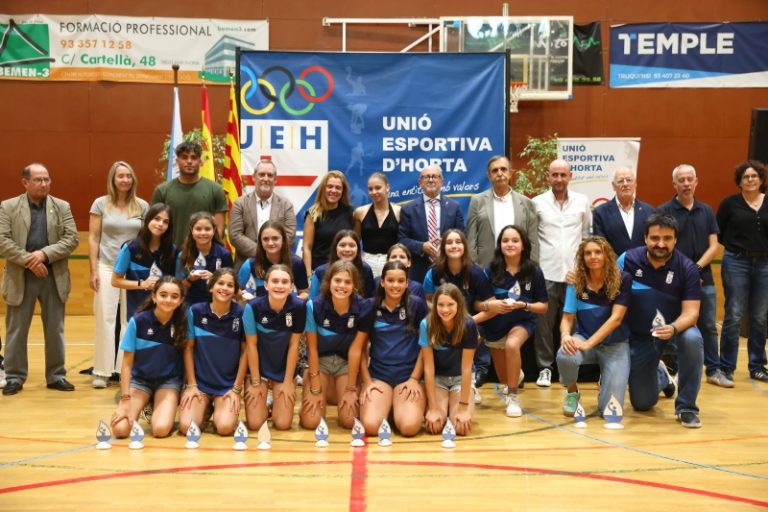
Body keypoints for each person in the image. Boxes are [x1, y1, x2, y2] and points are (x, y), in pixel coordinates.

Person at [0, 163, 79, 396]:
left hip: (53, 275)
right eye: (38, 180)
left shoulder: (62, 206)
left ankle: (56, 375)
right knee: (16, 330)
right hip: (20, 276)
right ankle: (14, 377)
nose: (44, 184)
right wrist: (29, 260)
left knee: (55, 329)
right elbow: (3, 240)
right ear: (25, 182)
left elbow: (72, 238)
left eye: (47, 179)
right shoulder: (8, 207)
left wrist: (44, 254)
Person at [618, 213, 704, 428]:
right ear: (645, 238)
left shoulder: (687, 268)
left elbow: (692, 313)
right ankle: (662, 376)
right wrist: (577, 278)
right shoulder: (627, 260)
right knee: (642, 403)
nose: (661, 244)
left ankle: (686, 407)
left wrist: (673, 328)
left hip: (677, 331)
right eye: (655, 238)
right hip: (642, 336)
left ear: (675, 240)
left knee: (693, 339)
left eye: (667, 238)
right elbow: (605, 288)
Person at [658, 164, 724, 386]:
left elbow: (713, 246)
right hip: (674, 278)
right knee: (676, 323)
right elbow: (661, 246)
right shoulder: (663, 211)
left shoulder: (706, 210)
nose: (686, 184)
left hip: (704, 278)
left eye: (689, 179)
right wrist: (686, 273)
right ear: (674, 184)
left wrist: (695, 270)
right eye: (681, 180)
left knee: (708, 325)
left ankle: (713, 370)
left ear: (696, 182)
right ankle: (675, 370)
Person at [88, 161, 149, 389]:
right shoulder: (100, 204)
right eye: (120, 176)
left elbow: (146, 239)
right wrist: (93, 270)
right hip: (106, 266)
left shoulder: (142, 206)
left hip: (132, 269)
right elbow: (94, 238)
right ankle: (102, 371)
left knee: (129, 320)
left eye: (128, 176)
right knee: (105, 318)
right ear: (113, 179)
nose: (125, 180)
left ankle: (123, 369)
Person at [532, 159, 591, 388]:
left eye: (563, 175)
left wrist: (582, 269)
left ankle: (569, 367)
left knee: (571, 324)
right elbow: (532, 238)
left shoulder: (582, 201)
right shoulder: (537, 203)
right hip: (545, 272)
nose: (558, 179)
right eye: (554, 175)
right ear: (548, 176)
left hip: (574, 275)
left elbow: (586, 236)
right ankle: (545, 368)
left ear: (570, 176)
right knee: (544, 326)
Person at [556, 237, 632, 416]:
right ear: (582, 258)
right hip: (584, 337)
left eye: (598, 252)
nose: (593, 256)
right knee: (565, 354)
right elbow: (567, 318)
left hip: (615, 344)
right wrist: (566, 335)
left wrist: (588, 343)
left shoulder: (623, 279)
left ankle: (607, 384)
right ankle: (572, 393)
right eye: (588, 253)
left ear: (607, 255)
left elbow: (616, 319)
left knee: (610, 412)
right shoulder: (576, 281)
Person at [478, 225, 548, 417]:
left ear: (523, 245)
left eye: (515, 240)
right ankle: (516, 375)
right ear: (499, 245)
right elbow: (478, 303)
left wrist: (524, 305)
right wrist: (491, 305)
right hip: (495, 324)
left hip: (522, 320)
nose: (510, 244)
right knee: (506, 378)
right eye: (505, 240)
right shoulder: (489, 271)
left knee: (512, 345)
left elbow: (543, 306)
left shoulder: (534, 271)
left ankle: (513, 397)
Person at [300, 261, 374, 430]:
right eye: (337, 280)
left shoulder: (363, 307)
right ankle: (316, 389)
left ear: (354, 285)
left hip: (346, 364)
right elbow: (312, 349)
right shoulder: (314, 306)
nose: (342, 286)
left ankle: (335, 391)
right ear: (329, 282)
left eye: (347, 282)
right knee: (311, 422)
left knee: (349, 422)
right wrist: (315, 388)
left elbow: (356, 349)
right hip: (320, 362)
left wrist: (350, 388)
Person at [110, 276, 186, 438]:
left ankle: (156, 404)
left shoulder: (183, 323)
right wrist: (125, 399)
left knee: (160, 430)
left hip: (168, 381)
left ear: (180, 301)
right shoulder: (138, 322)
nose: (168, 300)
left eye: (174, 296)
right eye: (163, 295)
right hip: (140, 381)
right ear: (154, 296)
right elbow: (126, 365)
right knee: (120, 430)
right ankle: (147, 403)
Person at [359, 261, 428, 437]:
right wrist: (366, 381)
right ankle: (389, 406)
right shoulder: (370, 306)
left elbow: (425, 347)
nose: (395, 285)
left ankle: (397, 407)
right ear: (382, 282)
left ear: (407, 283)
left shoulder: (417, 304)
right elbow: (360, 348)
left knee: (409, 428)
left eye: (400, 281)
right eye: (390, 280)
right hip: (379, 376)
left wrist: (414, 379)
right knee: (371, 426)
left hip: (407, 377)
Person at [716, 160, 768, 383]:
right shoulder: (730, 203)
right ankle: (726, 366)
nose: (750, 179)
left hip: (765, 264)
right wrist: (735, 247)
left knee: (760, 316)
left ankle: (757, 366)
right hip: (736, 262)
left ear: (761, 179)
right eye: (746, 176)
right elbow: (718, 232)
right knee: (734, 314)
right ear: (739, 181)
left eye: (754, 176)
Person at [179, 269, 246, 437]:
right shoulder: (196, 311)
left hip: (226, 386)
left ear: (235, 291)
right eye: (220, 283)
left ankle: (216, 410)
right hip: (200, 385)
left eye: (230, 285)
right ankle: (205, 408)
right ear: (211, 287)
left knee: (224, 428)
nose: (225, 288)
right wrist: (191, 385)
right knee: (187, 428)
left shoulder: (241, 314)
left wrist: (236, 388)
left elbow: (246, 352)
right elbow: (188, 348)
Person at [243, 264, 307, 431]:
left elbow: (294, 345)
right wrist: (255, 381)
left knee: (282, 424)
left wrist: (287, 381)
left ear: (291, 287)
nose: (279, 285)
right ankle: (266, 402)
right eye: (275, 281)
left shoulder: (299, 307)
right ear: (266, 285)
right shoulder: (253, 307)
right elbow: (251, 345)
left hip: (283, 369)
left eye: (285, 282)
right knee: (255, 424)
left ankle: (272, 402)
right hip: (259, 369)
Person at [420, 283, 478, 436]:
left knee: (460, 427)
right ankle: (443, 406)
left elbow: (466, 368)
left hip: (460, 379)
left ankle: (464, 399)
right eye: (441, 305)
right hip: (438, 379)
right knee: (434, 426)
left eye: (450, 304)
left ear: (458, 304)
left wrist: (463, 408)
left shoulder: (469, 325)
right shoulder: (426, 324)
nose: (445, 310)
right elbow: (428, 368)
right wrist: (433, 408)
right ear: (434, 305)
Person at [151, 141, 228, 248]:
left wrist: (211, 251)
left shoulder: (215, 189)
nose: (189, 161)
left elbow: (219, 228)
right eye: (184, 157)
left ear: (200, 161)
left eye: (194, 157)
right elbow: (155, 226)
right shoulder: (162, 190)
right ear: (177, 161)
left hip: (205, 253)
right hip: (170, 252)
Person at [467, 155, 539, 268]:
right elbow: (471, 239)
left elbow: (533, 242)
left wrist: (531, 268)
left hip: (519, 268)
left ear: (511, 173)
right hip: (486, 267)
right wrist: (475, 268)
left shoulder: (527, 203)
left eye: (503, 169)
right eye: (495, 170)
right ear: (489, 176)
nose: (500, 173)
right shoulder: (477, 201)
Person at [398, 165, 465, 283]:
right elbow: (402, 239)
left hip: (449, 268)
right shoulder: (408, 209)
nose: (431, 180)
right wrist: (421, 246)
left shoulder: (454, 207)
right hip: (419, 271)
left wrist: (448, 242)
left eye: (435, 176)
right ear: (420, 182)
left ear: (442, 181)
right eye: (426, 177)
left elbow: (463, 236)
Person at [112, 203, 177, 320]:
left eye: (165, 222)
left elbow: (177, 282)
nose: (160, 224)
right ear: (148, 220)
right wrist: (142, 284)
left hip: (165, 314)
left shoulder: (172, 251)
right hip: (138, 312)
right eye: (156, 219)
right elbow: (115, 281)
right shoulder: (130, 248)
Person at [229, 159, 296, 270]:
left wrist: (272, 253)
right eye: (261, 174)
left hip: (278, 267)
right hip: (246, 267)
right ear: (254, 177)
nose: (266, 179)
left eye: (270, 175)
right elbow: (235, 235)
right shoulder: (240, 204)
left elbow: (290, 235)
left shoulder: (286, 205)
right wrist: (263, 253)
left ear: (275, 180)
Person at [237, 220, 308, 301]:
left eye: (275, 238)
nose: (270, 243)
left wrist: (292, 301)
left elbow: (304, 293)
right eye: (265, 239)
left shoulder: (296, 263)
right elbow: (236, 291)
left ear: (283, 240)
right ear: (260, 242)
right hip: (259, 308)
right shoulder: (250, 263)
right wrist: (246, 296)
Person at [592, 168, 655, 256]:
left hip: (643, 263)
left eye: (629, 180)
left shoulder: (649, 210)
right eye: (620, 181)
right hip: (613, 263)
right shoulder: (600, 212)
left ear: (635, 184)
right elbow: (600, 245)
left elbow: (653, 241)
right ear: (613, 186)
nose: (625, 184)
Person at [176, 212, 234, 305]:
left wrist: (214, 279)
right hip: (191, 303)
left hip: (217, 303)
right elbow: (178, 290)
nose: (203, 233)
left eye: (207, 229)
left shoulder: (224, 254)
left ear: (214, 230)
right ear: (191, 230)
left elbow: (232, 287)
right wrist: (190, 280)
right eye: (198, 229)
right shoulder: (183, 255)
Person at [303, 170, 353, 274]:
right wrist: (308, 275)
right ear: (323, 189)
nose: (333, 190)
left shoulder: (350, 212)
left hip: (344, 270)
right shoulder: (313, 214)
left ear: (343, 191)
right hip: (319, 271)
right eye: (330, 186)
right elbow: (307, 248)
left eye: (338, 187)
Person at [353, 172, 401, 277]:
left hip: (392, 262)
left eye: (378, 188)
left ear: (387, 187)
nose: (374, 192)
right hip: (366, 262)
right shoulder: (360, 212)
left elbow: (403, 241)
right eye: (370, 189)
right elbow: (354, 242)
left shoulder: (399, 211)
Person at [308, 230, 375, 299]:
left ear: (358, 249)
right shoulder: (320, 271)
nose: (347, 249)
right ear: (335, 248)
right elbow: (312, 301)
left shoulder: (365, 269)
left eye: (352, 245)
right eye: (342, 245)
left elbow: (369, 299)